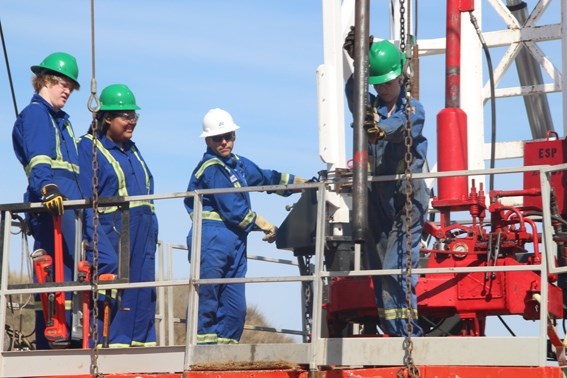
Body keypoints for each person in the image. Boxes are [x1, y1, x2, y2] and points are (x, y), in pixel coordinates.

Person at [184, 108, 305, 344]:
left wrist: (303, 184)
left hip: (235, 242)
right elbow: (233, 208)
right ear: (207, 140)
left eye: (228, 136)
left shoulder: (237, 165)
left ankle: (226, 352)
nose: (224, 142)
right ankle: (202, 352)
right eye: (218, 138)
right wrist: (262, 223)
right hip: (211, 241)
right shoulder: (211, 168)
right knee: (207, 298)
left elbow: (266, 177)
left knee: (234, 307)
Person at [344, 36, 429, 337]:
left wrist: (378, 129)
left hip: (407, 198)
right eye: (377, 83)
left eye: (387, 83)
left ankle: (408, 334)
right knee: (380, 267)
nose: (382, 88)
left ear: (400, 76)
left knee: (396, 265)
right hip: (378, 198)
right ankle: (392, 330)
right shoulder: (370, 107)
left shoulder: (412, 108)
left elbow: (400, 128)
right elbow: (354, 94)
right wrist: (358, 64)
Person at [78, 84, 158, 347]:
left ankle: (143, 345)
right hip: (114, 234)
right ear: (107, 118)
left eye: (134, 115)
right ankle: (113, 344)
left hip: (143, 234)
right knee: (119, 293)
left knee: (144, 291)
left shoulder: (132, 149)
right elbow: (87, 201)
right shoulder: (89, 148)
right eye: (125, 116)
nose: (131, 121)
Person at [12, 52, 83, 349]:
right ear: (44, 81)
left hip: (72, 207)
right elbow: (40, 161)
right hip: (54, 206)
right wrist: (48, 189)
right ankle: (52, 341)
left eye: (69, 85)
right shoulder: (37, 115)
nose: (66, 90)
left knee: (75, 271)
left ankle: (74, 336)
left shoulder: (62, 122)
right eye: (60, 83)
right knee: (55, 275)